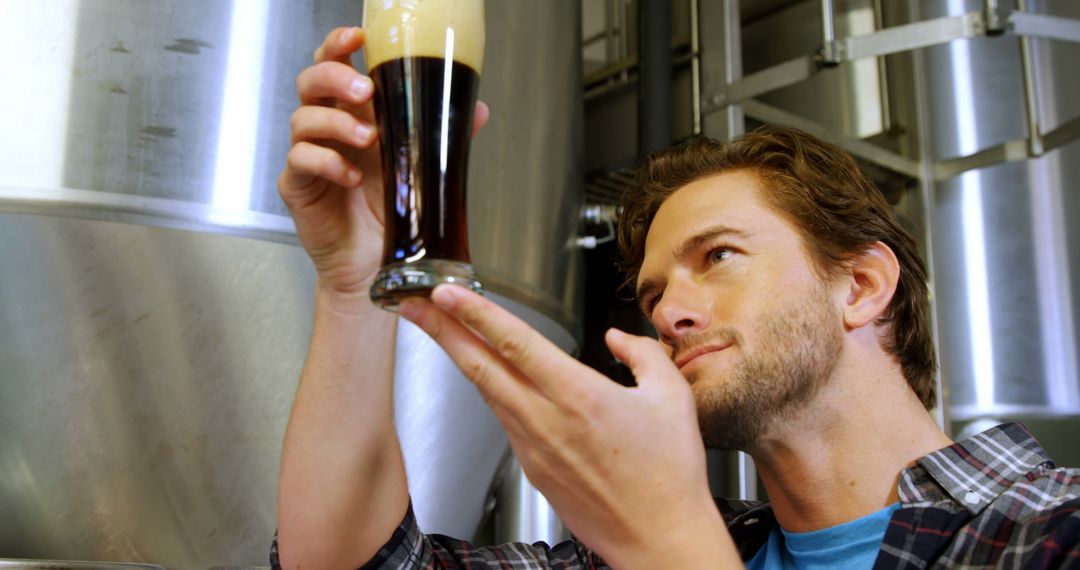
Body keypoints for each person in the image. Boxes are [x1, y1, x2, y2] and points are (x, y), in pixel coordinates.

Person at [273, 27, 1080, 569]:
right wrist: (351, 282)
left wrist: (667, 539)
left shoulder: (1043, 533)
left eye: (719, 256)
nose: (666, 314)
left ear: (861, 286)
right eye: (653, 292)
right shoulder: (644, 547)